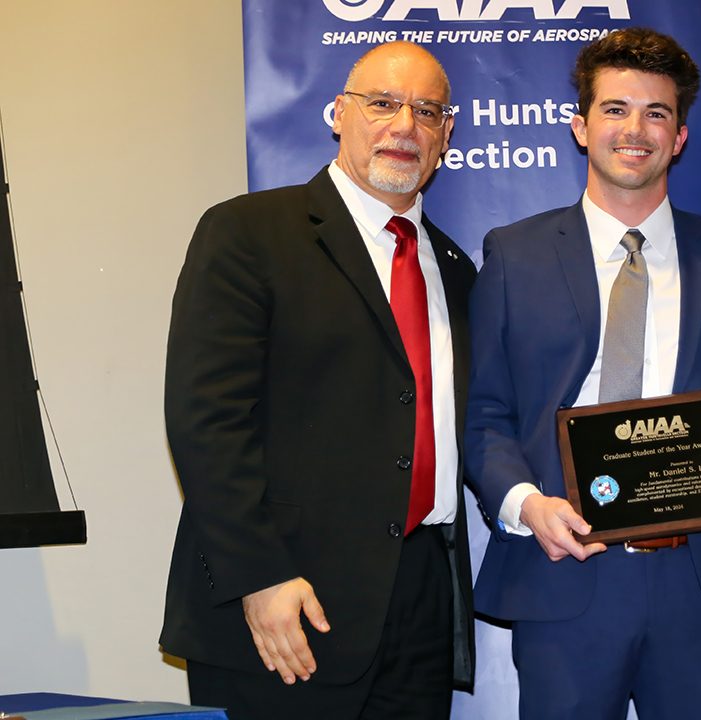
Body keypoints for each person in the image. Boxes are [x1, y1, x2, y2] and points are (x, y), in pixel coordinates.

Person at [465, 28, 701, 720]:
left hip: (698, 578)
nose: (635, 130)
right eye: (615, 110)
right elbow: (485, 417)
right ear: (581, 126)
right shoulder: (514, 256)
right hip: (565, 573)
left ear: (679, 137)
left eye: (656, 113)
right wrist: (527, 504)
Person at [160, 41, 475, 719]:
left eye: (427, 111)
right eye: (383, 104)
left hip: (420, 604)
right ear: (338, 114)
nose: (404, 127)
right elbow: (206, 421)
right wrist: (259, 578)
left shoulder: (454, 268)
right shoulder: (249, 232)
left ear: (446, 136)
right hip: (285, 603)